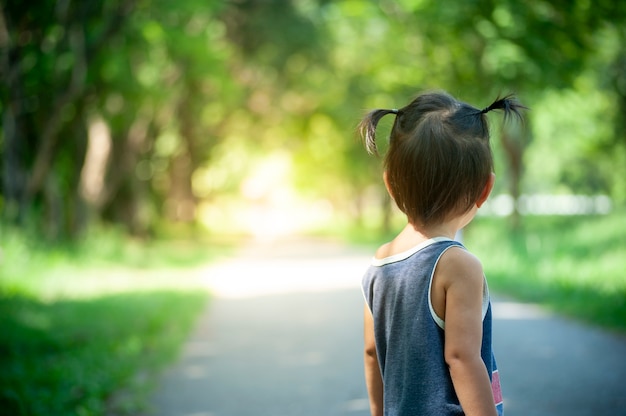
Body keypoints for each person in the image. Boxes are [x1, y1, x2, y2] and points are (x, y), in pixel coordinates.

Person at [359, 90, 525, 416]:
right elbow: (462, 358)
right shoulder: (457, 264)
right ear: (485, 189)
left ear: (390, 184)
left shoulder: (380, 262)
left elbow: (371, 351)